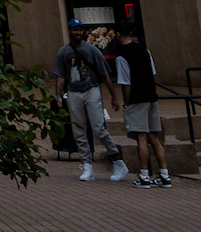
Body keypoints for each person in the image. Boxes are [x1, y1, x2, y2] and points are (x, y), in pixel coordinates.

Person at [51, 22, 129, 180]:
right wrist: (58, 96)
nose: (77, 32)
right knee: (78, 131)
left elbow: (105, 74)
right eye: (75, 30)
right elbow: (60, 76)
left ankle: (117, 161)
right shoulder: (63, 52)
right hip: (73, 92)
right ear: (70, 31)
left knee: (98, 129)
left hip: (91, 90)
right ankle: (87, 165)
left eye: (80, 29)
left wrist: (113, 97)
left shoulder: (92, 50)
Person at [111, 22, 172, 187]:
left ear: (117, 34)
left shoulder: (122, 56)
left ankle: (144, 176)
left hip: (137, 99)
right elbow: (152, 73)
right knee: (154, 135)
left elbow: (125, 83)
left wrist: (126, 103)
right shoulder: (145, 50)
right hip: (152, 97)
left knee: (141, 137)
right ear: (130, 32)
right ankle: (164, 174)